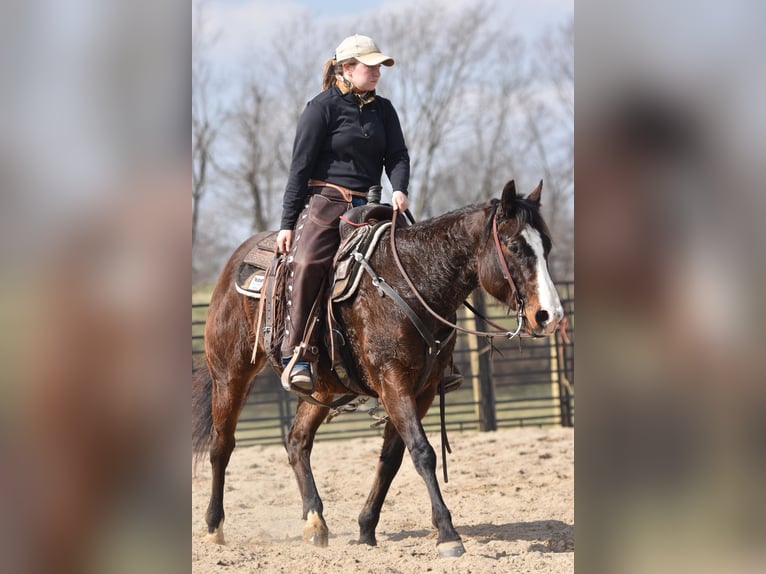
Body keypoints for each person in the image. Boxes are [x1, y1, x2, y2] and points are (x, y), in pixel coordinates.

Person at [276, 34, 410, 392]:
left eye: (380, 66)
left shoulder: (385, 110)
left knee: (416, 258)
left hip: (371, 205)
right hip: (325, 203)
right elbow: (299, 169)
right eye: (371, 66)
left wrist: (399, 187)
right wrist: (287, 224)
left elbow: (397, 155)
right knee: (306, 264)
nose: (378, 72)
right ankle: (298, 353)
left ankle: (434, 357)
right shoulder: (320, 109)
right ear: (347, 69)